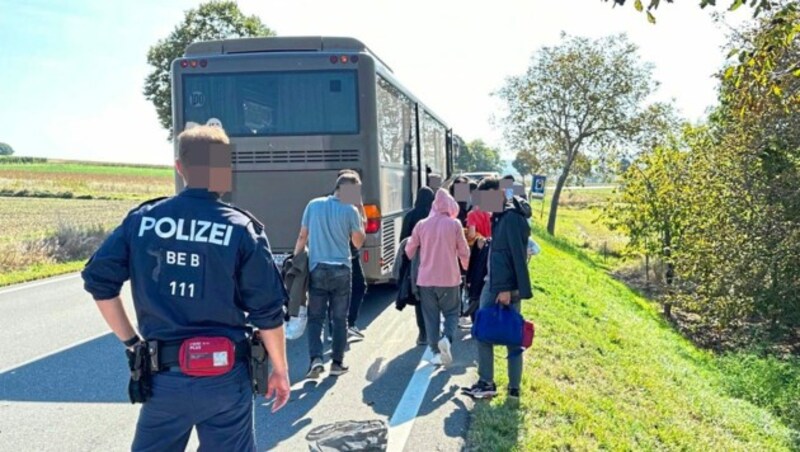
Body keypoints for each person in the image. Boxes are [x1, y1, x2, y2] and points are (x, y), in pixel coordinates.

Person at [81, 126, 290, 451]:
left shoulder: (142, 220)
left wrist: (133, 343)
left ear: (180, 167)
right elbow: (268, 312)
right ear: (225, 169)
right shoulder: (241, 229)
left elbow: (99, 283)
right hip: (225, 378)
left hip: (164, 379)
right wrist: (280, 369)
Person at [464, 176, 532, 402]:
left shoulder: (511, 217)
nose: (484, 205)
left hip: (502, 285)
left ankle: (497, 385)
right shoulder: (503, 215)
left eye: (486, 199)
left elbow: (516, 256)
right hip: (495, 281)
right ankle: (498, 385)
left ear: (499, 193)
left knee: (493, 332)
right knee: (498, 332)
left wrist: (507, 289)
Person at [294, 172, 366, 378]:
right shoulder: (351, 210)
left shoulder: (313, 205)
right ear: (350, 191)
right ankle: (337, 363)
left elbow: (302, 237)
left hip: (317, 268)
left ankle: (315, 360)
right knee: (339, 318)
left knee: (315, 318)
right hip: (342, 269)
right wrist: (359, 210)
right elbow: (358, 242)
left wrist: (295, 262)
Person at [405, 189, 470, 366]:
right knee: (451, 312)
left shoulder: (421, 224)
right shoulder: (455, 224)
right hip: (450, 278)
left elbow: (409, 250)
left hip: (425, 280)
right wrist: (465, 266)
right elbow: (464, 250)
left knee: (430, 316)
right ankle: (447, 339)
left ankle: (435, 351)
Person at [400, 186, 435, 345]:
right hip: (433, 259)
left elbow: (403, 239)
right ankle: (433, 329)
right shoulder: (433, 216)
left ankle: (422, 333)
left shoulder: (410, 216)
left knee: (418, 296)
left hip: (415, 261)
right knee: (433, 296)